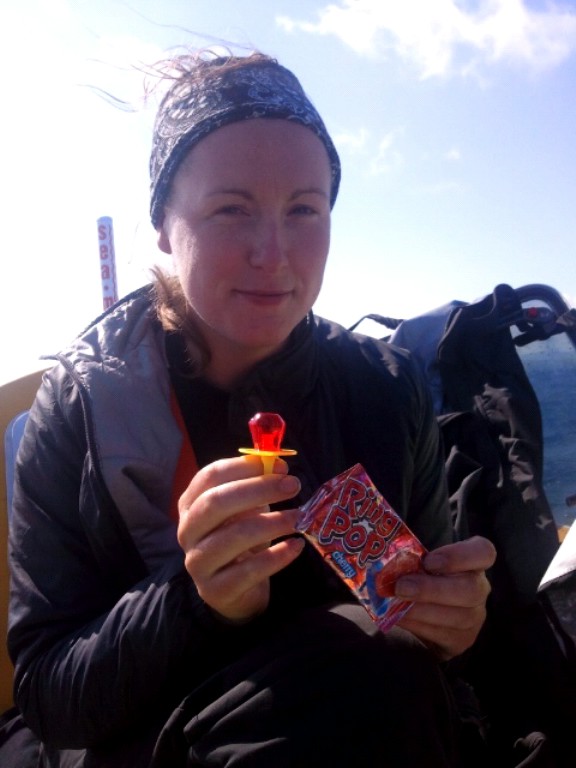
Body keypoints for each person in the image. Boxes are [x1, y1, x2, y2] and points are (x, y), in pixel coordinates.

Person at [4, 50, 496, 767]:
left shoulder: (387, 389)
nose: (274, 253)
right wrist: (193, 601)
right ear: (164, 226)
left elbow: (427, 634)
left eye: (304, 209)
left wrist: (455, 624)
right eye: (231, 209)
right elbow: (48, 696)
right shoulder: (81, 404)